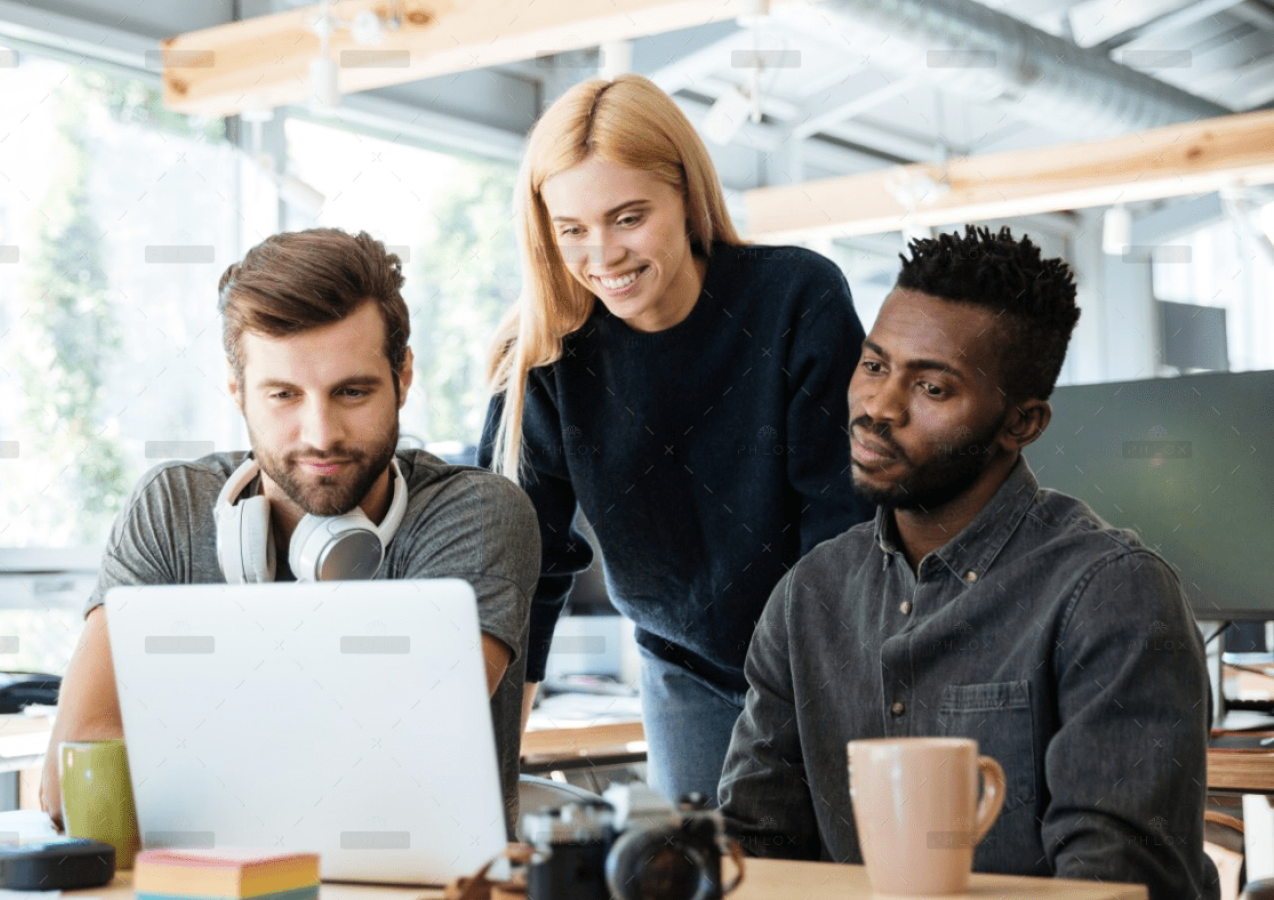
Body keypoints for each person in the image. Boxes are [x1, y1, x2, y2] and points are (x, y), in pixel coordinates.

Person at [717, 225, 1217, 899]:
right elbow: (754, 848)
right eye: (874, 366)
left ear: (1022, 424)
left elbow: (1115, 883)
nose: (879, 408)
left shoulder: (1111, 595)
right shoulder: (809, 596)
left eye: (933, 389)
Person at [42, 228, 539, 831]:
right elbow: (77, 786)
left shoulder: (476, 514)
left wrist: (174, 749)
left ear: (404, 377)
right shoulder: (171, 510)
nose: (320, 434)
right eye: (283, 394)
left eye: (352, 392)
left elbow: (391, 779)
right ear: (237, 393)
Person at [479, 73, 870, 803]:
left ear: (686, 195)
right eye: (572, 229)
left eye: (628, 217)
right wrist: (487, 766)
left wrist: (801, 707)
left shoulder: (796, 297)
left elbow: (841, 525)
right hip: (683, 667)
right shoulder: (541, 356)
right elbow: (521, 569)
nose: (603, 255)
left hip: (825, 654)